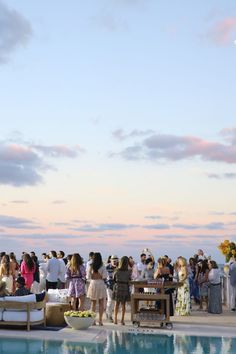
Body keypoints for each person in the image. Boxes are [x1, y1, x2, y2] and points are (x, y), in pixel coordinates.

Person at [87, 252, 107, 326]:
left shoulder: (90, 266)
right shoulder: (102, 266)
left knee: (93, 304)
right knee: (101, 303)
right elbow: (105, 276)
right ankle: (100, 320)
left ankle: (93, 321)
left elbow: (88, 276)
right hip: (101, 283)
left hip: (93, 283)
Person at [112, 256, 131, 325]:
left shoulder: (116, 270)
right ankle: (122, 320)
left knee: (116, 304)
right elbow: (130, 279)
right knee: (123, 305)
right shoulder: (128, 271)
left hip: (118, 286)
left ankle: (115, 319)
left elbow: (113, 279)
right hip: (125, 287)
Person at [105, 255, 118, 322]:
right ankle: (109, 316)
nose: (115, 261)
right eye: (113, 260)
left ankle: (108, 313)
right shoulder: (107, 267)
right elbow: (104, 277)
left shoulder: (118, 267)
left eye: (116, 260)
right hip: (109, 286)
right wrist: (106, 284)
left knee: (114, 302)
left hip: (117, 287)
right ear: (110, 260)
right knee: (110, 301)